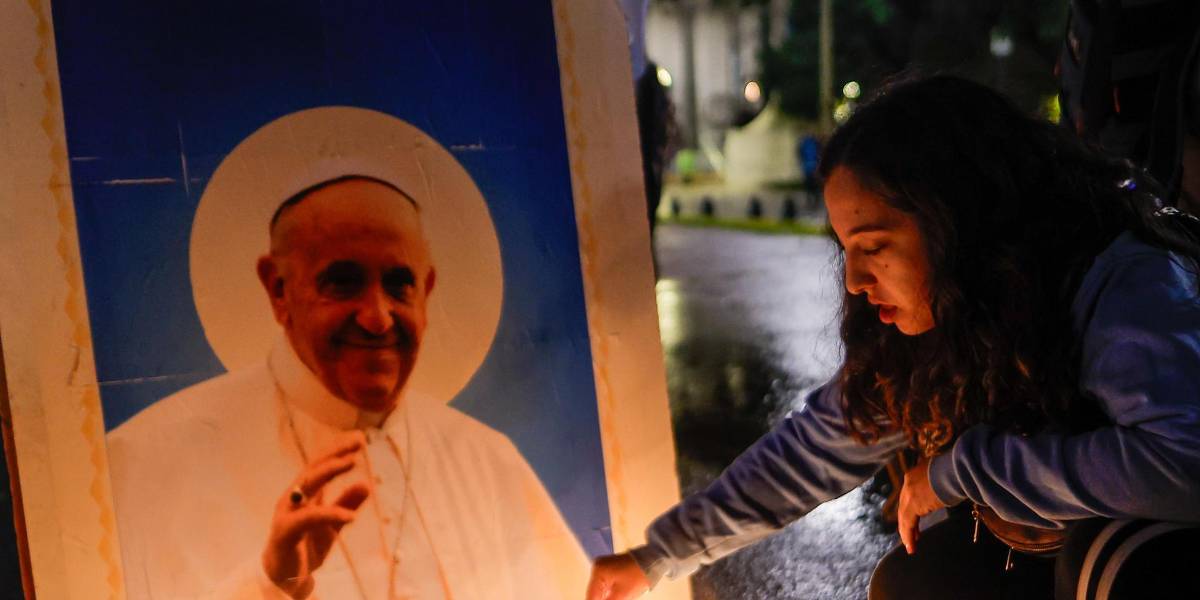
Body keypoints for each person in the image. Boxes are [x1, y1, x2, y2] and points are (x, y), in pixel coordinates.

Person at [586, 75, 1200, 600]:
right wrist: (654, 558)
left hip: (1147, 545)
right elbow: (813, 449)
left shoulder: (1121, 280)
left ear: (960, 223)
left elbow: (1183, 464)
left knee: (1114, 560)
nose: (853, 281)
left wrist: (962, 469)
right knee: (922, 581)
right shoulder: (940, 322)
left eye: (874, 248)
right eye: (846, 250)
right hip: (1050, 545)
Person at [107, 175, 590, 599]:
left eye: (399, 284)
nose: (378, 318)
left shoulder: (488, 460)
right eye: (343, 282)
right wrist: (270, 586)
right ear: (278, 289)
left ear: (428, 291)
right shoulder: (145, 460)